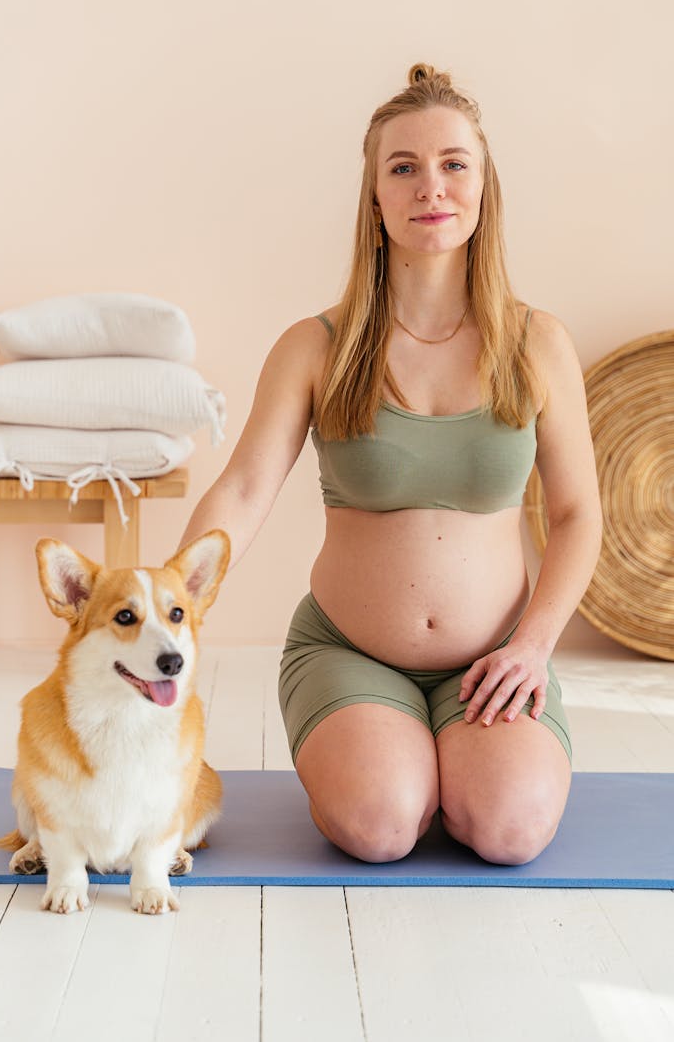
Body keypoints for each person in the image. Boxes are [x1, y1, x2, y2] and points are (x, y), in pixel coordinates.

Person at [179, 63, 602, 866]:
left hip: (499, 660)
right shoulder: (316, 347)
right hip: (349, 650)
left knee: (510, 830)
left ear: (484, 189)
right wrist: (173, 602)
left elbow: (580, 515)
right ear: (374, 199)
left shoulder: (539, 343)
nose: (429, 186)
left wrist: (534, 646)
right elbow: (240, 490)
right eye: (402, 168)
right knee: (378, 826)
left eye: (453, 164)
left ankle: (456, 762)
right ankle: (401, 760)